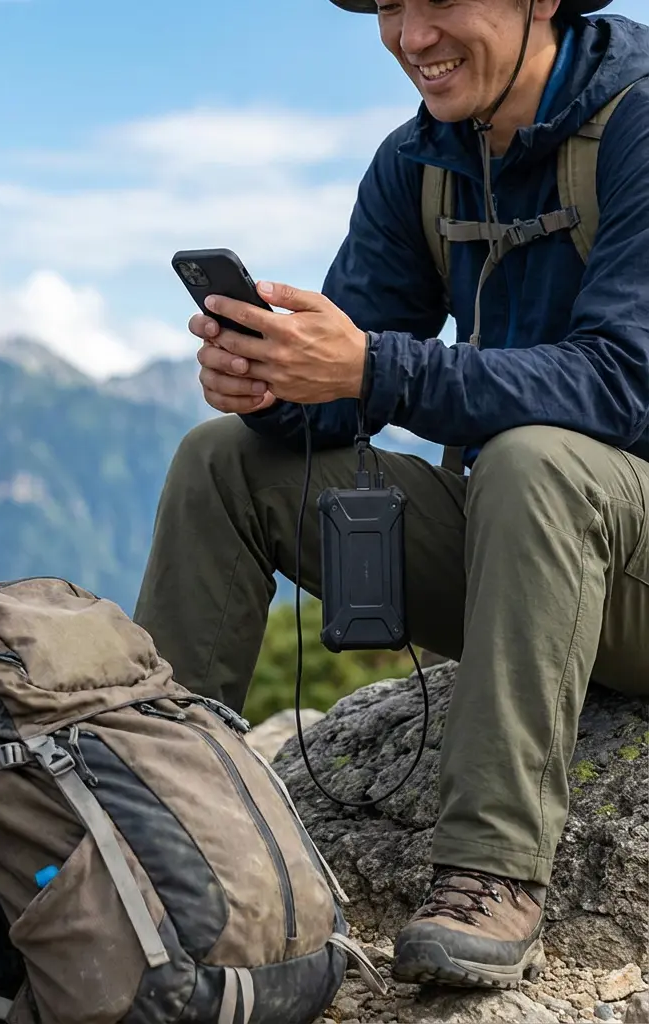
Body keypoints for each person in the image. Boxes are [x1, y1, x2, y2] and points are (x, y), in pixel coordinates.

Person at [133, 0, 649, 991]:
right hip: (529, 558)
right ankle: (149, 831)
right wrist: (274, 386)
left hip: (618, 551)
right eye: (390, 5)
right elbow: (345, 392)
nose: (412, 35)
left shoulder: (635, 124)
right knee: (219, 459)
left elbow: (621, 383)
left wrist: (371, 367)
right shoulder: (419, 161)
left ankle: (491, 873)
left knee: (532, 457)